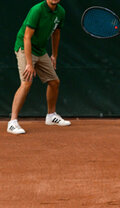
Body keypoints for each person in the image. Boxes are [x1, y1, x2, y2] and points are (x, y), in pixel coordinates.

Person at [7, 0, 70, 135]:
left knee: (54, 82)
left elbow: (56, 34)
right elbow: (26, 37)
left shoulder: (61, 12)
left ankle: (51, 115)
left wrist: (54, 55)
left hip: (40, 50)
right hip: (25, 48)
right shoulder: (37, 10)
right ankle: (12, 122)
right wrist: (29, 63)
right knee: (26, 83)